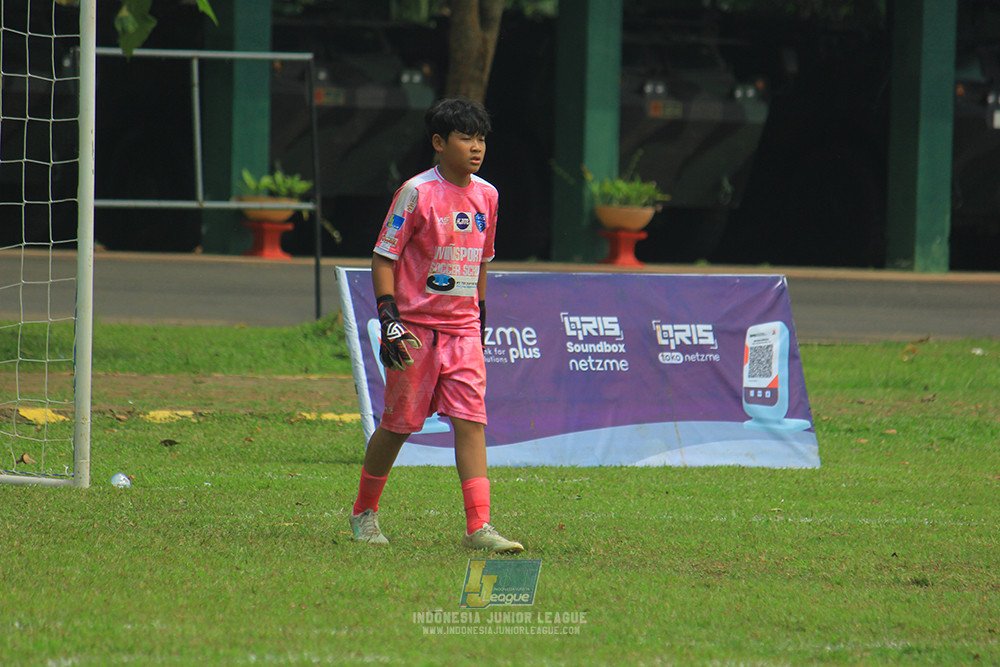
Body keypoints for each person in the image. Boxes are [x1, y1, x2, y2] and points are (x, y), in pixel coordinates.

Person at [348, 98, 523, 554]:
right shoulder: (416, 193)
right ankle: (364, 513)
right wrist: (389, 319)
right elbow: (384, 256)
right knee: (399, 425)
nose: (476, 147)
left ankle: (479, 527)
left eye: (481, 137)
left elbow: (483, 263)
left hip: (462, 331)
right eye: (466, 137)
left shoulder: (488, 196)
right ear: (439, 143)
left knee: (471, 421)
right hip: (415, 331)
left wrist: (479, 322)